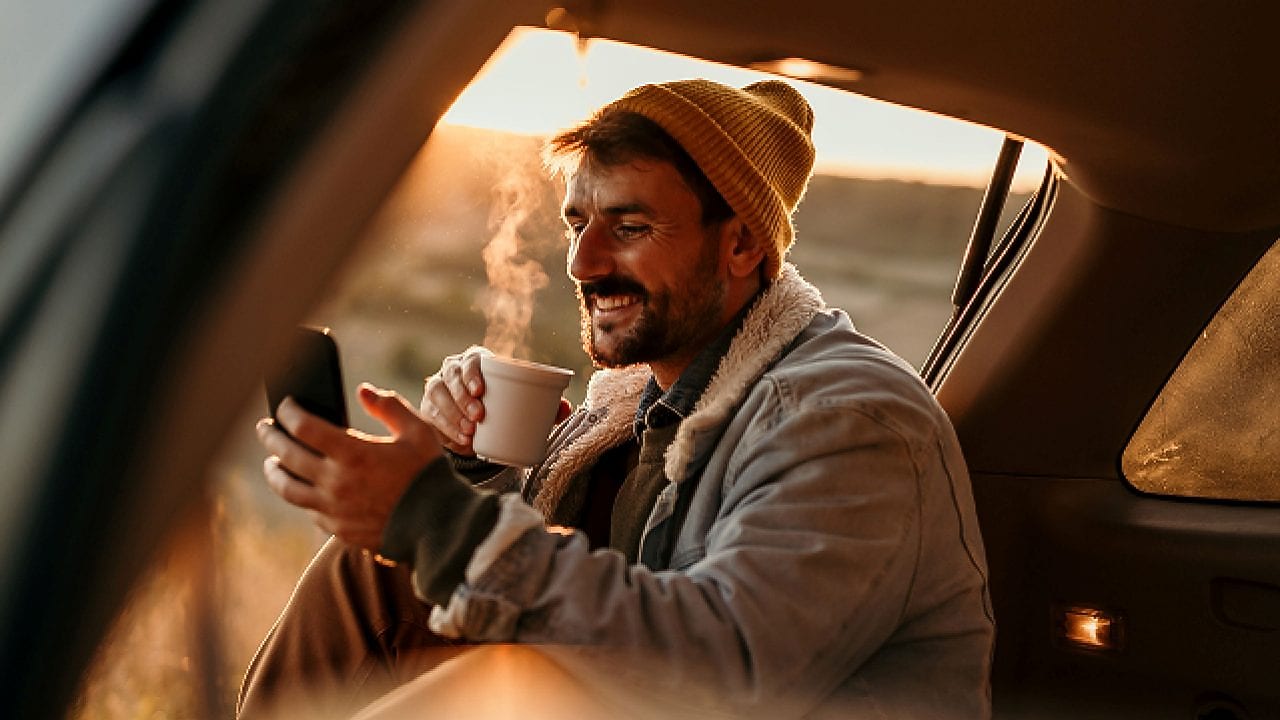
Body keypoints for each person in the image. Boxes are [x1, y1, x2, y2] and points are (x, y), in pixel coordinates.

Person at [242, 78, 994, 719]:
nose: (582, 262)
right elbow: (570, 592)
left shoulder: (847, 419)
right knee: (372, 568)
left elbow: (726, 674)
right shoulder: (632, 406)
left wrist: (437, 519)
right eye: (577, 223)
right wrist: (463, 471)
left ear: (741, 245)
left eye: (629, 226)